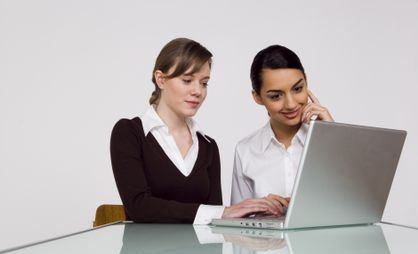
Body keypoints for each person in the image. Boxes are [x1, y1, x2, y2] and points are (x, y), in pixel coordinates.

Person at [111, 38, 271, 224]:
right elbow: (138, 207)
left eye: (204, 83)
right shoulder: (130, 133)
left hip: (199, 253)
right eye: (187, 80)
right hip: (144, 252)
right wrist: (218, 212)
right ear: (160, 79)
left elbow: (215, 224)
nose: (198, 91)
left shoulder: (208, 146)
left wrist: (260, 210)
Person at [231, 45, 334, 214]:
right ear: (257, 97)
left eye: (298, 89)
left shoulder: (329, 142)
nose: (291, 104)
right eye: (276, 96)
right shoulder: (245, 150)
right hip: (267, 241)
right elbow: (236, 224)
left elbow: (360, 207)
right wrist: (258, 210)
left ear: (306, 82)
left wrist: (332, 134)